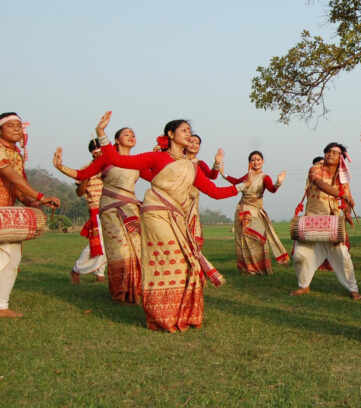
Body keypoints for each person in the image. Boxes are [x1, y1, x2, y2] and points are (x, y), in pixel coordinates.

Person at [94, 111, 248, 332]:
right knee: (166, 259)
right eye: (184, 130)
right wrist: (102, 133)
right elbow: (118, 160)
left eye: (190, 131)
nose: (188, 134)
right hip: (155, 213)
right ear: (170, 134)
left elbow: (213, 191)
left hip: (177, 216)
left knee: (186, 262)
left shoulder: (191, 166)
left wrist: (242, 187)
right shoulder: (157, 157)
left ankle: (179, 312)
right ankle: (160, 314)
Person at [55, 125, 151, 304]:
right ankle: (120, 291)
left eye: (133, 134)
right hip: (109, 208)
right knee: (118, 249)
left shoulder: (137, 161)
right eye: (126, 134)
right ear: (116, 140)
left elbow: (157, 177)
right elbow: (82, 174)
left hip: (131, 208)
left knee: (137, 248)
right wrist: (60, 166)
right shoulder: (105, 160)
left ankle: (136, 289)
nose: (131, 136)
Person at [0, 112, 60, 318]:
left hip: (7, 216)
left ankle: (2, 306)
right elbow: (11, 176)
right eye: (11, 126)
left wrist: (35, 202)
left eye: (19, 125)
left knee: (12, 258)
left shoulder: (15, 154)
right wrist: (41, 196)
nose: (17, 129)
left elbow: (17, 190)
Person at [291, 143, 361, 299]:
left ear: (341, 158)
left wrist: (348, 212)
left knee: (343, 255)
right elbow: (319, 183)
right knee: (299, 255)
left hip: (333, 221)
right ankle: (303, 286)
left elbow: (347, 199)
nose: (329, 154)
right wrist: (340, 194)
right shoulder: (316, 168)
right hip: (313, 218)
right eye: (327, 152)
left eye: (334, 153)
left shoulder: (343, 177)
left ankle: (352, 288)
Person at [222, 150, 289, 274]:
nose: (256, 162)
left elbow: (272, 189)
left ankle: (260, 267)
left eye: (258, 159)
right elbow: (236, 182)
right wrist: (223, 174)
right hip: (242, 209)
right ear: (249, 163)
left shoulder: (265, 177)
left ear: (263, 162)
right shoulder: (247, 176)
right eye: (253, 160)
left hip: (255, 211)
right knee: (243, 239)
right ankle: (247, 268)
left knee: (258, 239)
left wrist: (278, 182)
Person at [69, 140, 107, 284]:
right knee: (98, 242)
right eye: (99, 150)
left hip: (113, 207)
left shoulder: (110, 167)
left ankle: (100, 272)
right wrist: (87, 175)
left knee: (110, 241)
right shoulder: (86, 169)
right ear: (93, 152)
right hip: (97, 208)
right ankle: (77, 269)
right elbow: (79, 192)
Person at [185, 134, 224, 249]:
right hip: (176, 199)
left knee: (192, 233)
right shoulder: (177, 161)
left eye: (197, 143)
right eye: (191, 141)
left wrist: (217, 163)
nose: (194, 144)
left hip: (191, 201)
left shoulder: (199, 164)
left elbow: (212, 176)